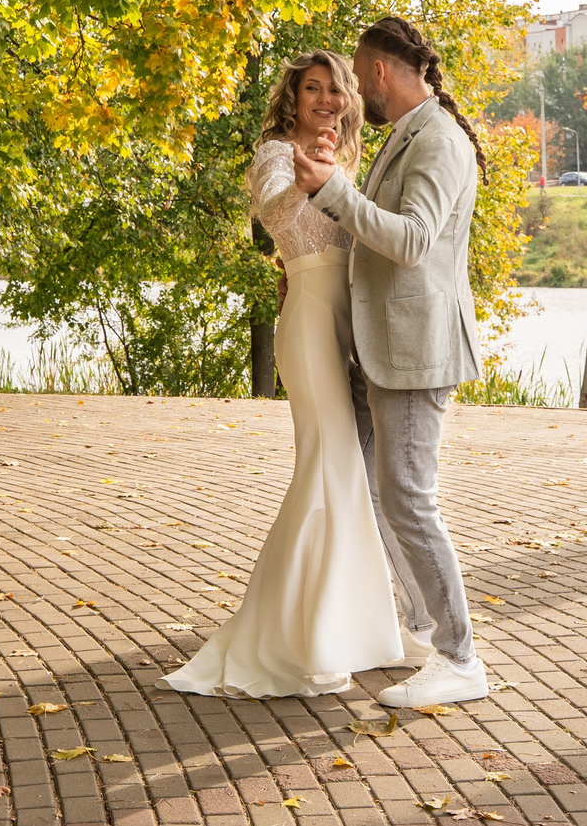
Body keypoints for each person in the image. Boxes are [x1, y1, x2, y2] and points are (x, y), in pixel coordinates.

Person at [163, 51, 408, 698]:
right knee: (329, 464)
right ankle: (299, 636)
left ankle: (349, 627)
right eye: (312, 89)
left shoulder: (345, 160)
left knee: (347, 470)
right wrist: (309, 178)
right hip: (306, 317)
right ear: (293, 98)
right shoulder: (275, 152)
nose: (325, 100)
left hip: (348, 322)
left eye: (335, 90)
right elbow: (273, 213)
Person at [294, 15, 489, 708]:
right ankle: (422, 629)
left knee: (409, 498)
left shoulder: (437, 139)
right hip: (379, 345)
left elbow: (410, 241)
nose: (355, 94)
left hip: (416, 351)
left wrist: (334, 194)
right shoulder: (407, 135)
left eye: (357, 73)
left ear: (380, 71)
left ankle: (460, 656)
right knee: (383, 495)